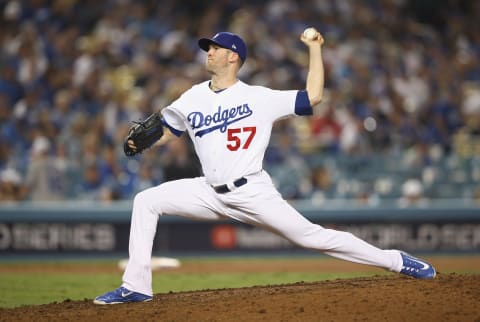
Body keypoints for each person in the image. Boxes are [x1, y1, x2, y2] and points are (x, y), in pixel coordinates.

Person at [94, 30, 436, 305]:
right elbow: (170, 129)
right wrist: (146, 141)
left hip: (252, 191)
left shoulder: (259, 97)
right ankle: (136, 287)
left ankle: (395, 260)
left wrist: (315, 49)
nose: (208, 52)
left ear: (234, 56)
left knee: (313, 237)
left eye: (215, 48)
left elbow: (313, 96)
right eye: (207, 48)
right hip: (207, 191)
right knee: (146, 200)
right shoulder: (192, 97)